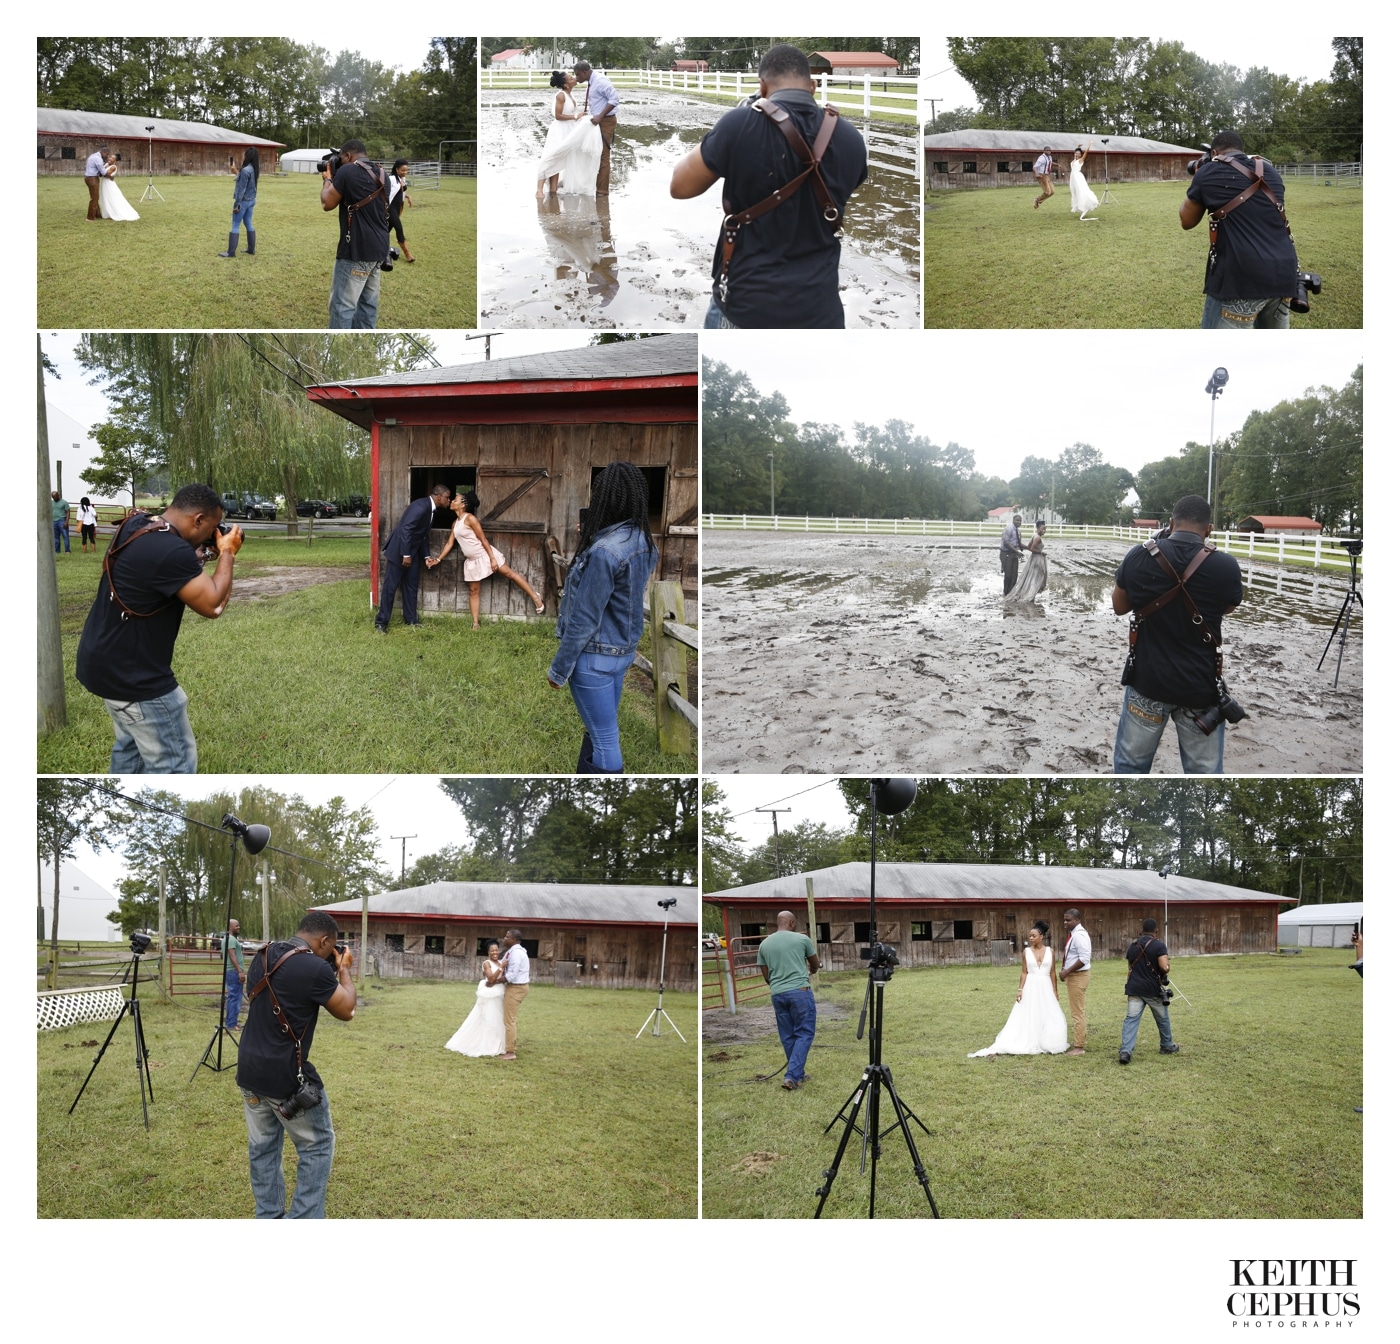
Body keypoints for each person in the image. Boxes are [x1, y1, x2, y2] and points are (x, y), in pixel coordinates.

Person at [670, 42, 868, 330]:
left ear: (762, 88)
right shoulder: (851, 138)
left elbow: (680, 187)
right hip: (820, 312)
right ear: (813, 85)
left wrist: (725, 130)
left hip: (746, 307)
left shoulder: (738, 124)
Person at [75, 483, 243, 773]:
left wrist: (204, 553)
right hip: (137, 681)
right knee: (174, 764)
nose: (213, 535)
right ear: (198, 520)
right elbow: (213, 605)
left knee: (132, 752)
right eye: (212, 528)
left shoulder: (137, 523)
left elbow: (144, 569)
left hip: (102, 665)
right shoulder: (171, 551)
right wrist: (227, 553)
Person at [235, 911, 356, 1219]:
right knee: (316, 1146)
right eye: (331, 948)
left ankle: (270, 1217)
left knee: (262, 1150)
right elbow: (347, 1010)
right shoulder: (314, 968)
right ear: (326, 941)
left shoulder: (263, 955)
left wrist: (326, 964)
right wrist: (344, 970)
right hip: (287, 1077)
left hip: (249, 1070)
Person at [1112, 495, 1244, 774]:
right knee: (1205, 775)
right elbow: (1228, 608)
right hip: (1200, 688)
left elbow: (1119, 607)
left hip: (1148, 682)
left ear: (1170, 523)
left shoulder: (1138, 555)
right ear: (1209, 529)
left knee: (1130, 767)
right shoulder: (1226, 566)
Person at [548, 461, 658, 773]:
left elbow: (585, 617)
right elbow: (622, 599)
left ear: (605, 499)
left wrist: (559, 669)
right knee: (603, 732)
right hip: (621, 653)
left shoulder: (605, 551)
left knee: (605, 738)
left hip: (593, 658)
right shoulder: (642, 542)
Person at [1180, 130, 1300, 329]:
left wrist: (1200, 176)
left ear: (1215, 152)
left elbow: (1186, 221)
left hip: (1241, 277)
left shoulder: (1208, 172)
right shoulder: (1270, 170)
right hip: (1283, 274)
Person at [429, 491, 545, 628]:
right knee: (473, 591)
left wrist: (492, 559)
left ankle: (536, 597)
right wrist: (438, 559)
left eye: (455, 500)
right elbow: (450, 543)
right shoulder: (455, 523)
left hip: (484, 556)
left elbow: (483, 539)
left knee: (510, 574)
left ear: (463, 504)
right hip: (472, 562)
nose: (452, 501)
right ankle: (475, 623)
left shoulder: (470, 518)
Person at [320, 139, 392, 329]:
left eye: (341, 158)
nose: (340, 162)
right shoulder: (383, 173)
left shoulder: (347, 171)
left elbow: (327, 203)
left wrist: (328, 178)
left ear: (348, 156)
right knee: (368, 306)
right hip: (379, 250)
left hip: (356, 250)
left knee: (343, 306)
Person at [969, 920, 1068, 1056]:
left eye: (1033, 936)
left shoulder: (1050, 951)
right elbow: (1024, 972)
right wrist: (1020, 990)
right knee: (1030, 1012)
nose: (1031, 938)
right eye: (1030, 936)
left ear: (1041, 937)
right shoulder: (1026, 952)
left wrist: (1055, 991)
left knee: (1048, 1013)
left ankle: (1046, 1040)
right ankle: (1029, 1039)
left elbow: (1052, 972)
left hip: (1046, 987)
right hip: (1031, 985)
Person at [375, 484, 451, 633]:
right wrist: (406, 554)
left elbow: (421, 535)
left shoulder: (431, 510)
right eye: (447, 497)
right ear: (439, 496)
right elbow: (406, 529)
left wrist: (426, 556)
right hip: (399, 552)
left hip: (413, 554)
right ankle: (381, 623)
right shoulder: (421, 506)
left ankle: (411, 620)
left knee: (411, 587)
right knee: (390, 588)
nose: (449, 500)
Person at [757, 911, 820, 1089]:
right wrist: (813, 971)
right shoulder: (802, 940)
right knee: (805, 1033)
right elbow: (815, 964)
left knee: (788, 1035)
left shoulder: (764, 944)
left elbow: (766, 976)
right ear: (792, 923)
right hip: (800, 992)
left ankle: (797, 1073)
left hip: (777, 994)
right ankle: (791, 1076)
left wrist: (778, 984)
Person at [1118, 918, 1178, 1063]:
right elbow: (1164, 967)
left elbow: (1130, 968)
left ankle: (1125, 1051)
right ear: (1156, 931)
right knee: (1162, 1018)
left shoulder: (1133, 945)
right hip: (1152, 989)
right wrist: (1168, 967)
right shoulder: (1159, 946)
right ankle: (1167, 1045)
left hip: (1134, 988)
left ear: (1142, 930)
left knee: (1131, 1020)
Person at [536, 72, 603, 198]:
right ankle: (539, 189)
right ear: (566, 84)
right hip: (559, 130)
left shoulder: (569, 94)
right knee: (552, 156)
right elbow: (558, 115)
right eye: (571, 78)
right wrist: (576, 116)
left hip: (569, 129)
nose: (574, 78)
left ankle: (553, 190)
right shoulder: (561, 95)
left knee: (560, 158)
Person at [445, 941, 507, 1057]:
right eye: (492, 950)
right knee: (489, 1018)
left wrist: (502, 969)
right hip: (490, 995)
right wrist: (500, 968)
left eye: (496, 950)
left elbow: (503, 978)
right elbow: (490, 979)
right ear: (488, 952)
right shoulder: (487, 963)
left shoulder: (500, 962)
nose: (495, 952)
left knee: (498, 1018)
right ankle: (486, 1044)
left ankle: (498, 1043)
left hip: (499, 993)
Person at [573, 61, 619, 195]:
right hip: (597, 121)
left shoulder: (600, 81)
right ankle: (595, 185)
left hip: (605, 121)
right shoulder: (592, 81)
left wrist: (600, 116)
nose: (576, 78)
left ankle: (602, 191)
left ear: (585, 72)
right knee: (595, 153)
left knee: (603, 155)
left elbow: (614, 99)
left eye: (578, 75)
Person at [1058, 908, 1092, 1055]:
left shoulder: (1079, 935)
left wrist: (1067, 971)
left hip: (1078, 976)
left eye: (1069, 920)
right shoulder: (1074, 934)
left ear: (1077, 920)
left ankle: (1079, 1047)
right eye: (1064, 919)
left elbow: (1084, 958)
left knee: (1077, 1012)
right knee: (1076, 1010)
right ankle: (1078, 1041)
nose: (1065, 922)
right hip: (1074, 976)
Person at [219, 146, 259, 258]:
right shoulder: (254, 169)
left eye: (244, 155)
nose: (243, 157)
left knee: (235, 225)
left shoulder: (246, 170)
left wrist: (236, 205)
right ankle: (251, 249)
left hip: (243, 202)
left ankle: (231, 252)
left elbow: (241, 189)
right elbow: (245, 181)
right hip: (251, 201)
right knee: (248, 223)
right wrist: (236, 171)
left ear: (247, 156)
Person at [499, 929, 530, 1060]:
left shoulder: (516, 954)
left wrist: (494, 981)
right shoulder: (513, 952)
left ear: (514, 940)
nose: (504, 939)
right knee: (508, 1018)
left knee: (509, 1020)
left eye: (507, 937)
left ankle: (510, 1052)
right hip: (516, 987)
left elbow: (512, 975)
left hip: (516, 988)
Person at [1006, 520, 1048, 602]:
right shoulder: (1038, 538)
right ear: (1038, 528)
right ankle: (1031, 595)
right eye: (1042, 529)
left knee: (1031, 577)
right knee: (1036, 578)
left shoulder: (1034, 536)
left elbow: (1029, 547)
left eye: (1045, 529)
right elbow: (1032, 549)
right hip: (1037, 559)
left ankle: (1029, 594)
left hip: (1034, 559)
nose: (1044, 531)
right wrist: (1041, 552)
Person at [386, 159, 415, 262]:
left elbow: (399, 191)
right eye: (403, 170)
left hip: (398, 209)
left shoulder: (402, 178)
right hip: (390, 208)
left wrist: (408, 196)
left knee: (385, 230)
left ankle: (375, 247)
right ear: (397, 169)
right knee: (399, 228)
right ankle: (408, 254)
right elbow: (386, 191)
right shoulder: (391, 179)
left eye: (406, 170)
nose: (405, 172)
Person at [222, 918, 248, 1030]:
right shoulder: (231, 939)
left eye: (238, 925)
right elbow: (232, 955)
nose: (238, 927)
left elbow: (223, 955)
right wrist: (240, 971)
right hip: (234, 972)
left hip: (230, 971)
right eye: (236, 926)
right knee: (235, 998)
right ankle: (232, 1024)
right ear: (230, 927)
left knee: (233, 997)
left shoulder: (226, 939)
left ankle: (231, 1022)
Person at [97, 155, 139, 221]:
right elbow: (100, 174)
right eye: (110, 157)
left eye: (113, 158)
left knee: (112, 198)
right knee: (105, 197)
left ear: (115, 161)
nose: (110, 158)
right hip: (104, 184)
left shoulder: (113, 167)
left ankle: (114, 213)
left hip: (109, 184)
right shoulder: (106, 165)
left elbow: (105, 174)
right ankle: (108, 213)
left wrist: (102, 170)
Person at [1068, 145, 1099, 221]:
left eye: (1078, 153)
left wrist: (1089, 145)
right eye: (1076, 153)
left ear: (1080, 155)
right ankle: (1076, 205)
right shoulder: (1074, 160)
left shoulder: (1080, 160)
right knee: (1074, 192)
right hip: (1073, 177)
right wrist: (1078, 147)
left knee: (1081, 191)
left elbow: (1085, 153)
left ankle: (1086, 203)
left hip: (1078, 177)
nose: (1077, 154)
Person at [999, 512, 1026, 595]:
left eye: (1020, 521)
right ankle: (1005, 592)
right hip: (1006, 553)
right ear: (1013, 520)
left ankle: (1011, 593)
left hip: (1014, 554)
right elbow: (1006, 542)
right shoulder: (1009, 529)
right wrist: (1017, 551)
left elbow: (1019, 544)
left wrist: (1030, 548)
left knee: (1014, 575)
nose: (1019, 522)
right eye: (1017, 520)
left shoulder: (1018, 531)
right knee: (1008, 575)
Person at [84, 147, 111, 220]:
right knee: (94, 198)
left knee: (95, 197)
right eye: (107, 154)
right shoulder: (98, 159)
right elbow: (103, 172)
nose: (107, 156)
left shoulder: (92, 156)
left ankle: (97, 214)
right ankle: (90, 217)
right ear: (103, 152)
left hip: (88, 178)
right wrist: (110, 176)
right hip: (93, 179)